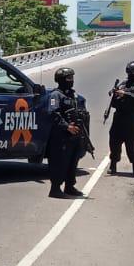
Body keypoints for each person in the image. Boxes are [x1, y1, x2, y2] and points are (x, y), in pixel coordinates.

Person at [45, 66, 88, 198]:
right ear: (61, 80)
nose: (71, 80)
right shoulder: (55, 95)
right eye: (68, 78)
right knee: (60, 163)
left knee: (72, 162)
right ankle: (55, 189)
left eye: (72, 78)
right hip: (61, 136)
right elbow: (53, 114)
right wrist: (67, 126)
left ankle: (69, 186)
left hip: (74, 136)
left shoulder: (73, 95)